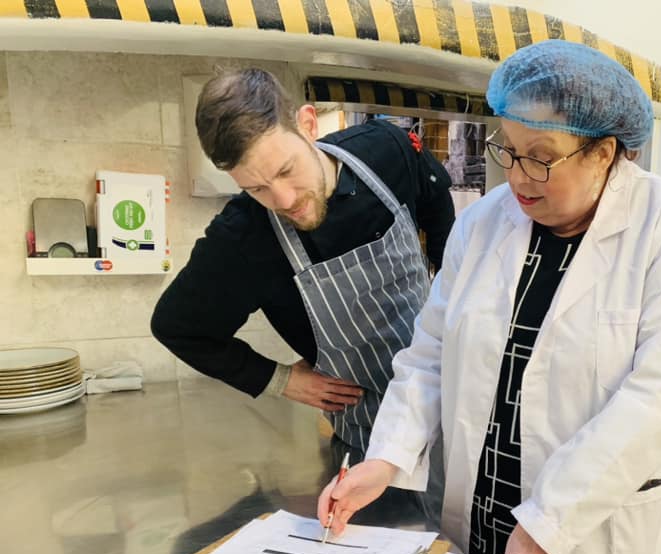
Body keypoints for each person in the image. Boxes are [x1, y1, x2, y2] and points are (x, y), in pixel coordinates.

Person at [318, 40, 661, 554]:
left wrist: (547, 525)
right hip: (476, 532)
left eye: (542, 156)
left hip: (582, 552)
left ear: (605, 152)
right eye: (508, 150)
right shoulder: (483, 224)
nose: (519, 176)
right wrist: (384, 459)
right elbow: (429, 355)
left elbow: (656, 403)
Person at [151, 69, 455, 468]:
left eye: (285, 170)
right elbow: (177, 327)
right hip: (368, 440)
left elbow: (437, 200)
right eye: (255, 188)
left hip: (453, 402)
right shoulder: (243, 236)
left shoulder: (386, 149)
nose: (283, 200)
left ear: (308, 125)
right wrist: (281, 380)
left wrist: (452, 292)